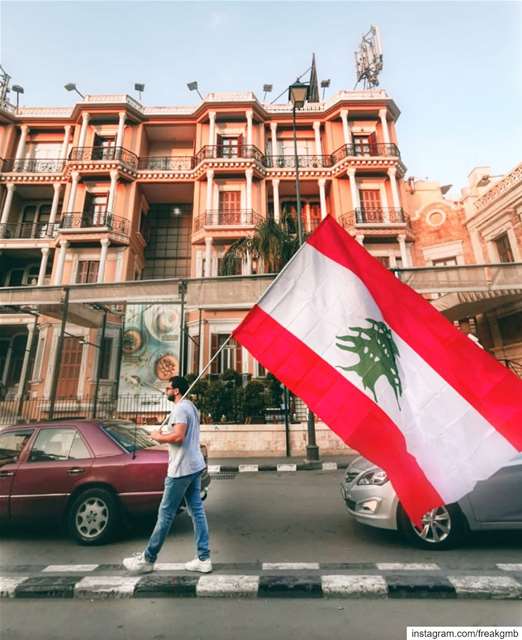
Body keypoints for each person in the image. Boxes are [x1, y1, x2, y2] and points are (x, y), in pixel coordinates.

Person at [123, 375, 212, 575]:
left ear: (177, 390)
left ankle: (148, 558)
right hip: (194, 465)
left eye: (168, 388)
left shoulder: (180, 409)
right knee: (196, 511)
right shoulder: (191, 407)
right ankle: (204, 558)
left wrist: (158, 437)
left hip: (181, 469)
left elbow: (179, 437)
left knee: (165, 514)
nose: (166, 391)